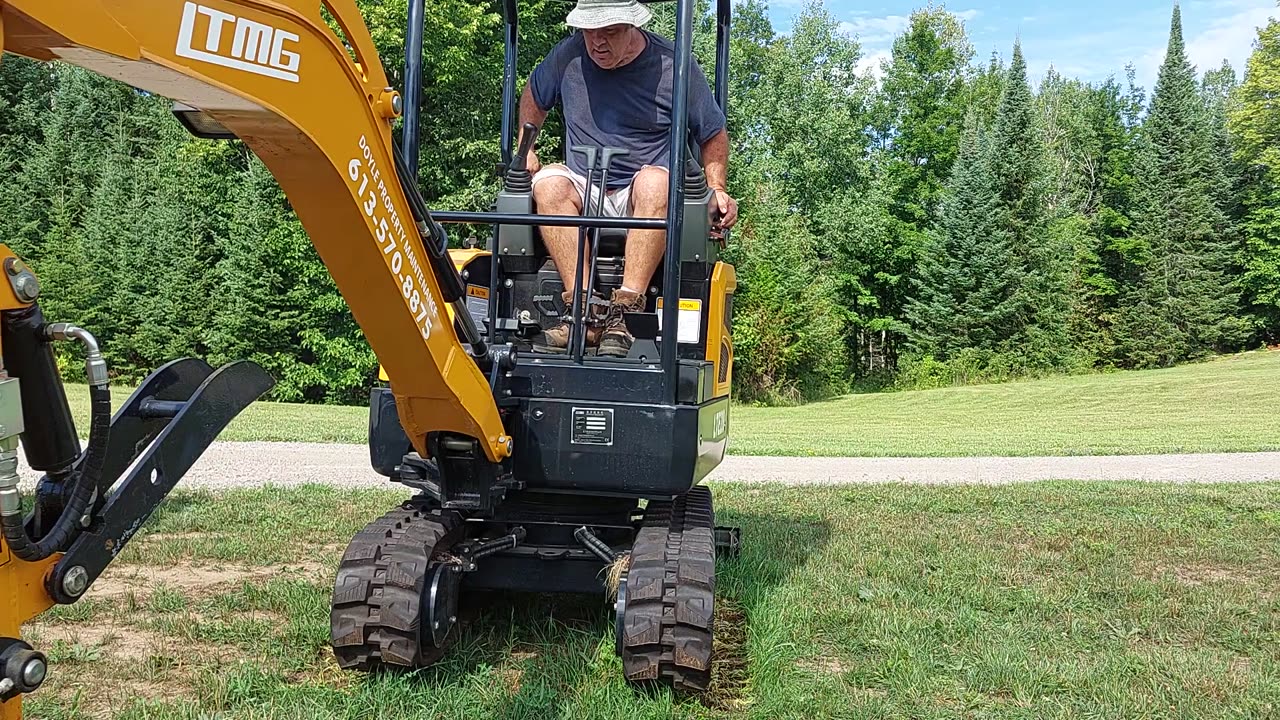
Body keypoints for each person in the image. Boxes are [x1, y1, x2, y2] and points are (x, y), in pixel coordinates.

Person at [516, 0, 739, 357]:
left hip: (647, 192)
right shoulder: (568, 56)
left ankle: (625, 314)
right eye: (589, 32)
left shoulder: (673, 65)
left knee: (654, 183)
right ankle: (582, 314)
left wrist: (717, 189)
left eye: (609, 32)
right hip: (586, 184)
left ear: (632, 27)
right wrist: (525, 147)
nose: (596, 43)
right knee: (547, 182)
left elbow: (712, 133)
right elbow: (534, 95)